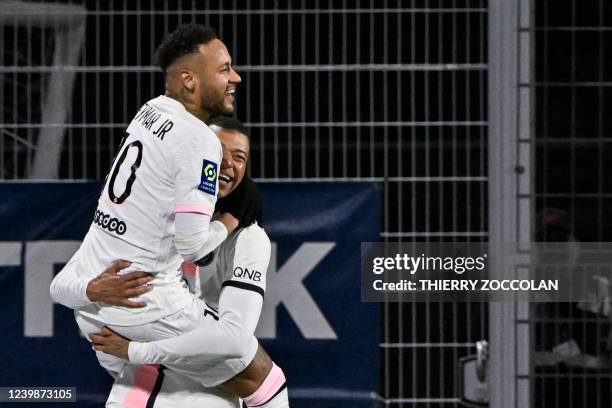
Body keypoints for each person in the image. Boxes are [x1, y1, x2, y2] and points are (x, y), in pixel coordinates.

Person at [50, 25, 284, 406]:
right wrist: (228, 221)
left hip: (96, 303)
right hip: (146, 306)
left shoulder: (150, 111)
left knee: (178, 382)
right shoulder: (200, 140)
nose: (236, 77)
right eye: (225, 68)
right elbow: (192, 247)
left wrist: (90, 291)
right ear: (189, 80)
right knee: (266, 379)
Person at [95, 117, 288, 407]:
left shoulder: (248, 239)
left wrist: (137, 351)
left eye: (240, 158)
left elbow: (235, 340)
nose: (228, 165)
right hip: (140, 387)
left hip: (202, 390)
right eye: (219, 152)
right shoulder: (152, 215)